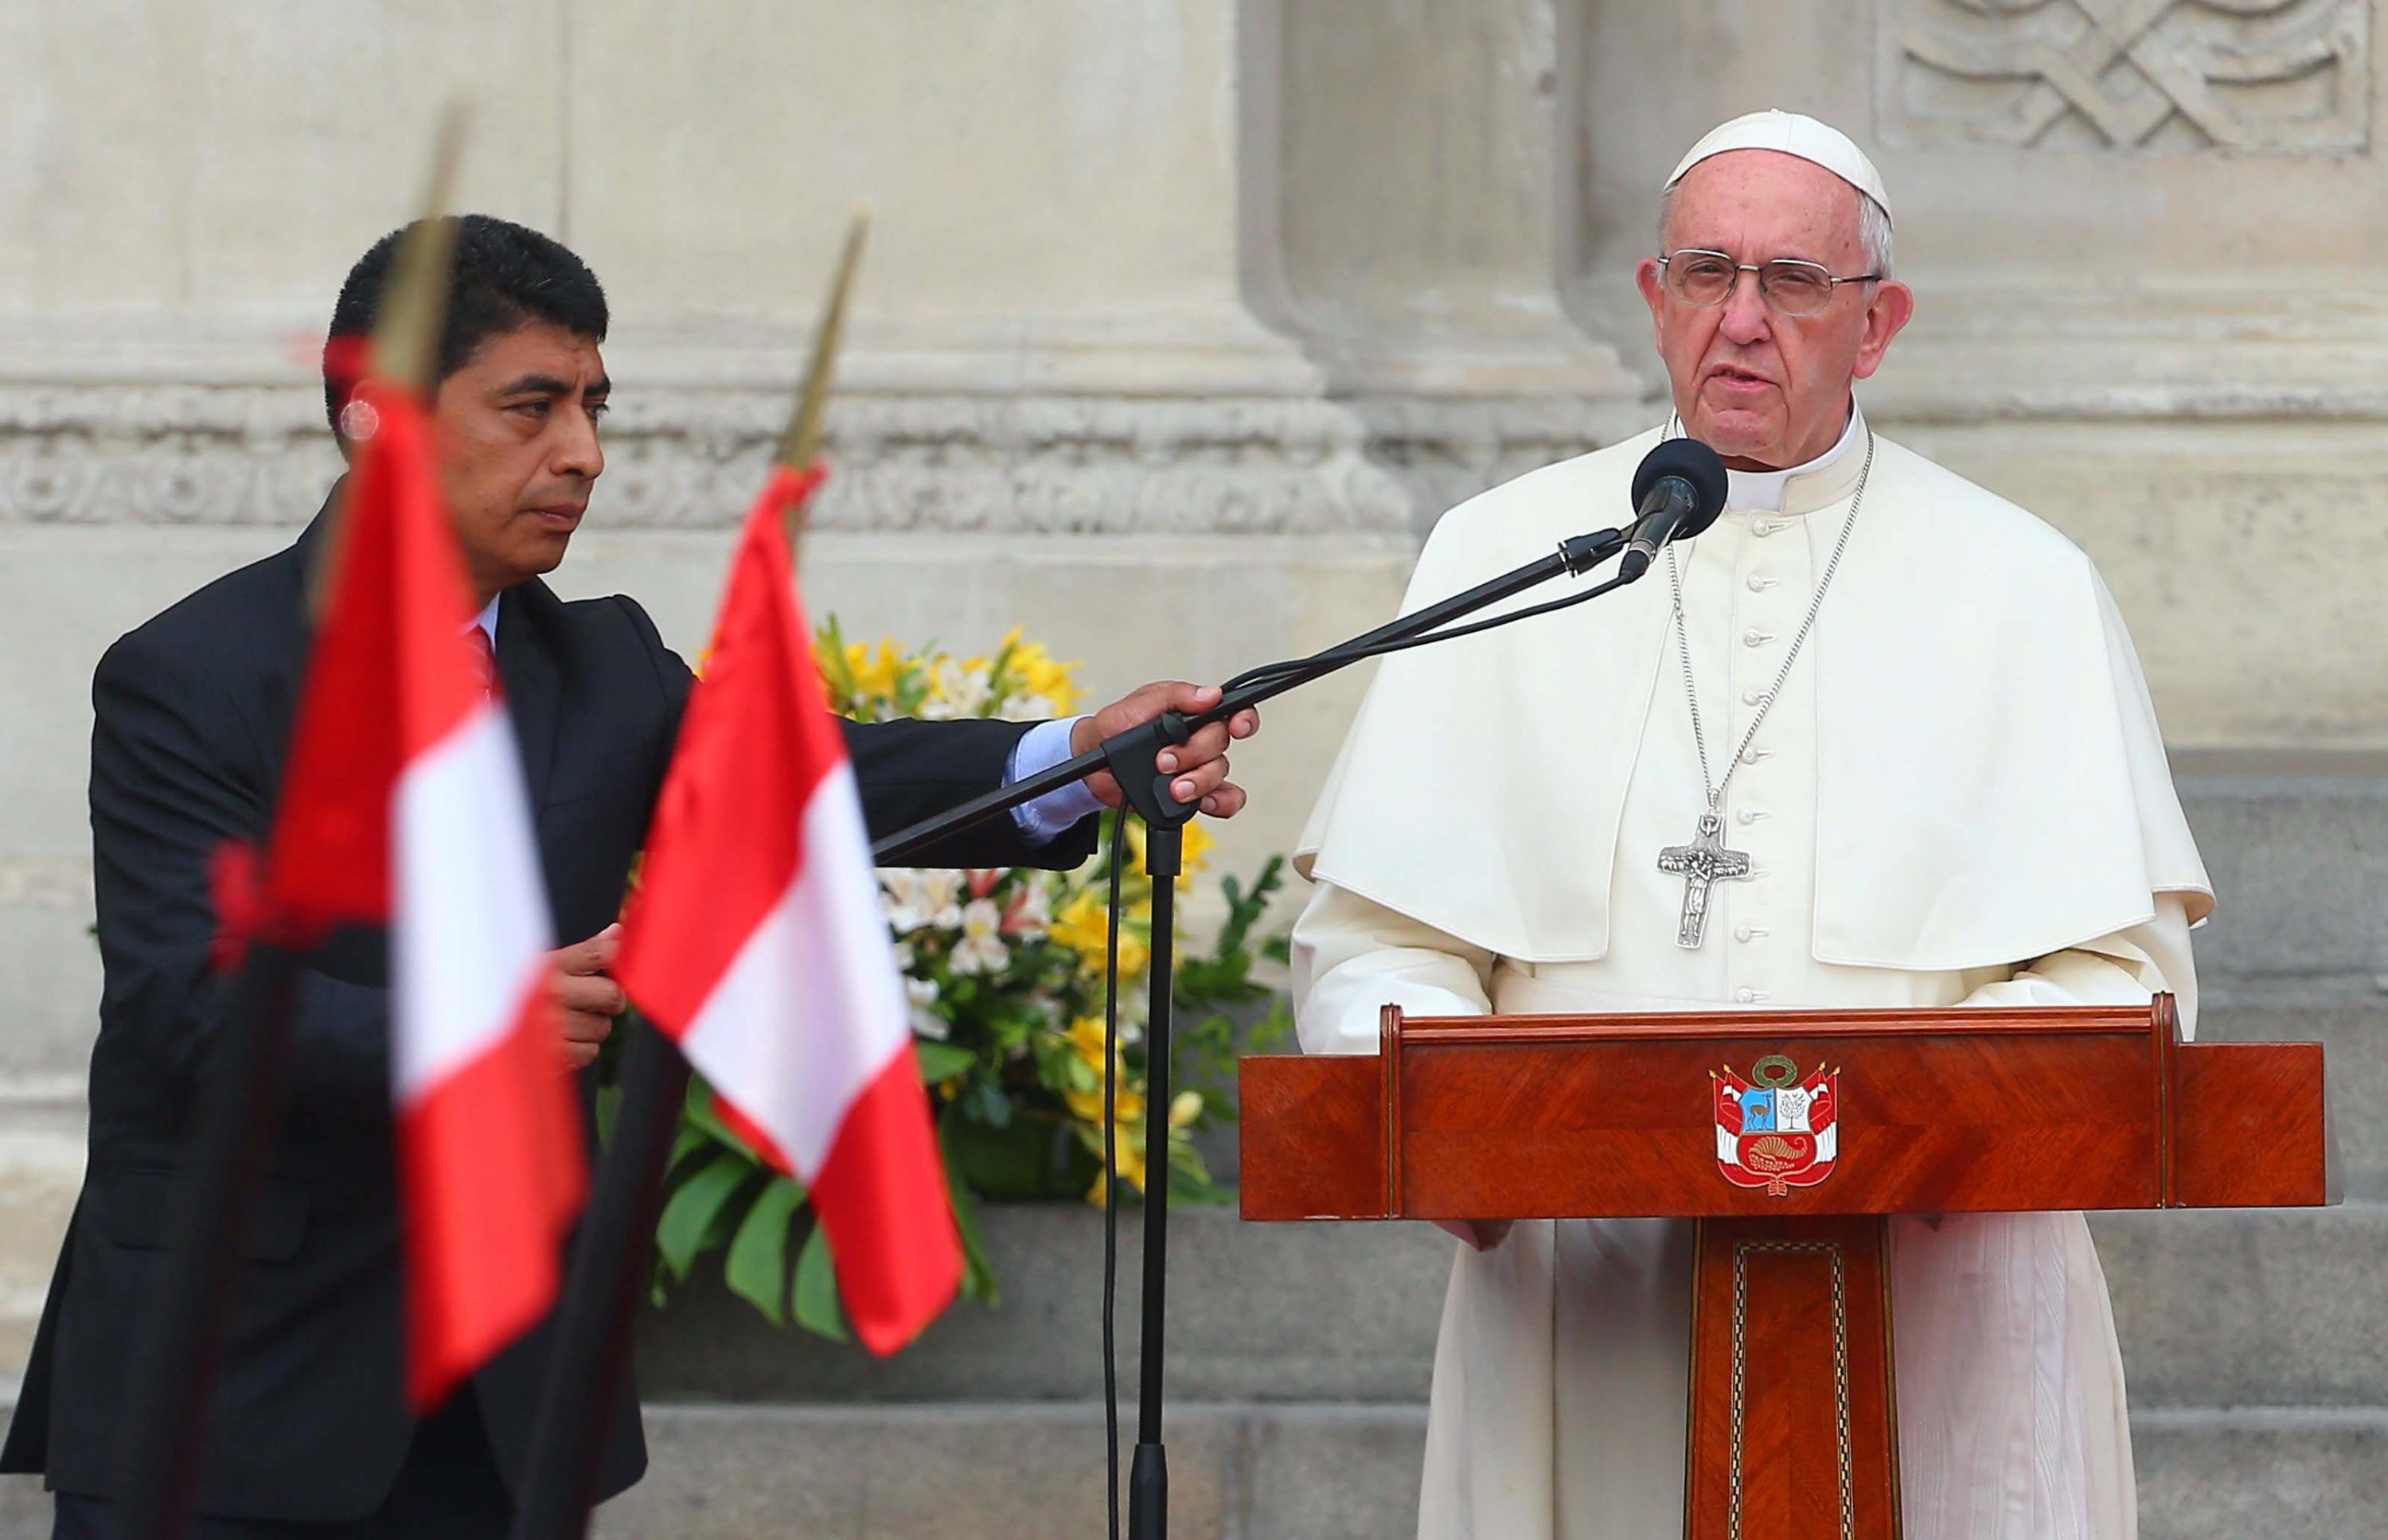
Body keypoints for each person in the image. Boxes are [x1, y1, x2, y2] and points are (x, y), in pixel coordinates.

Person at [0, 214, 1258, 1538]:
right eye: (532, 407)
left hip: (507, 1408)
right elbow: (188, 1008)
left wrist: (1076, 760)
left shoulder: (601, 668)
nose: (584, 455)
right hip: (232, 1396)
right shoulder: (194, 677)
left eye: (595, 407)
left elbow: (812, 782)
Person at [1290, 110, 2210, 1540]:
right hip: (1591, 1278)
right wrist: (1469, 1132)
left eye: (1792, 282)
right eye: (1707, 273)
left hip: (1934, 1282)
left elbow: (2124, 977)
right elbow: (1372, 950)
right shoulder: (1504, 558)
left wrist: (1931, 1132)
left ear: (1878, 323)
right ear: (1655, 301)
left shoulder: (2021, 584)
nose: (1741, 320)